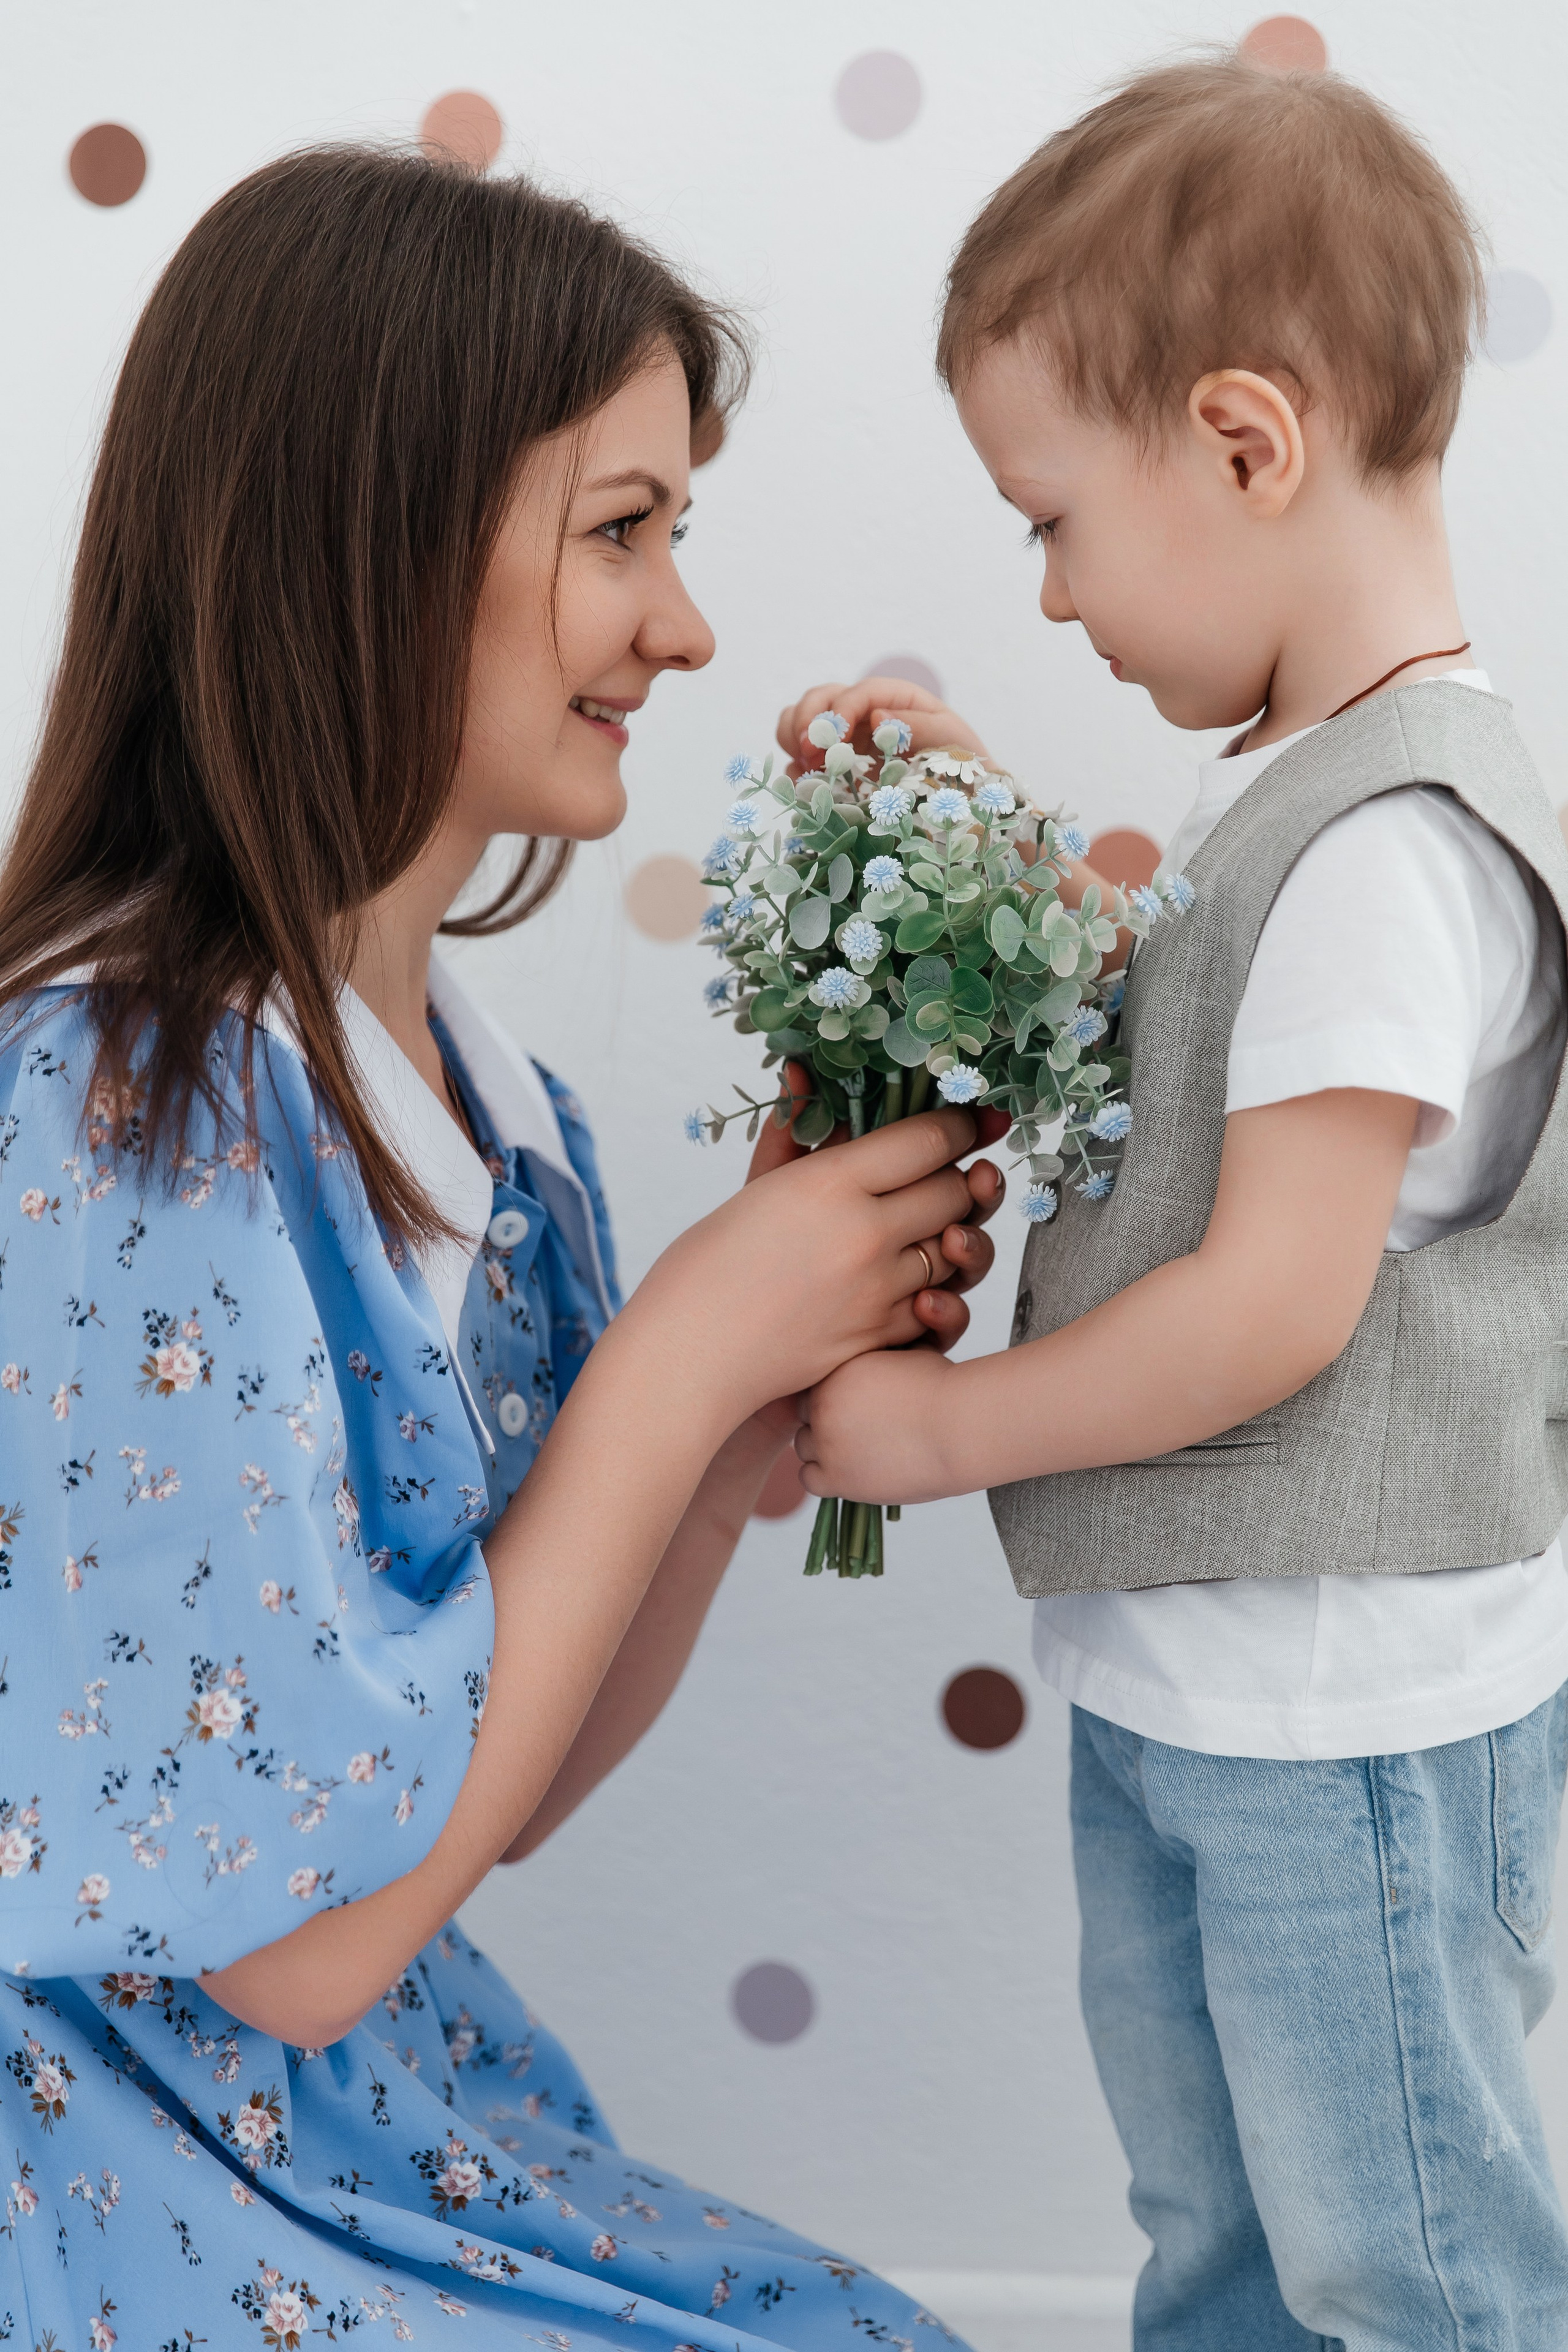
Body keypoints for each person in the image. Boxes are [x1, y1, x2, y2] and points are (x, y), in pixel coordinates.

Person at [0, 148, 1003, 2348]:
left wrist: (725, 1437)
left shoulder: (492, 1114)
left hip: (361, 2120)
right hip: (121, 2166)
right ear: (373, 535)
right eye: (620, 531)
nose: (684, 626)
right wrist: (679, 1360)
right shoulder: (118, 1109)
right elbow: (295, 1945)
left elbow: (494, 1797)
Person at [782, 51, 1568, 2348]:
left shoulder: (1394, 846)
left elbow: (1269, 1306)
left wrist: (943, 1431)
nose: (1047, 596)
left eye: (1052, 521)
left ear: (1243, 445)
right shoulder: (1303, 806)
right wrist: (991, 850)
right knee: (1217, 2227)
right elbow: (1199, 1056)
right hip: (1211, 1686)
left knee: (1403, 2264)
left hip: (1343, 1716)